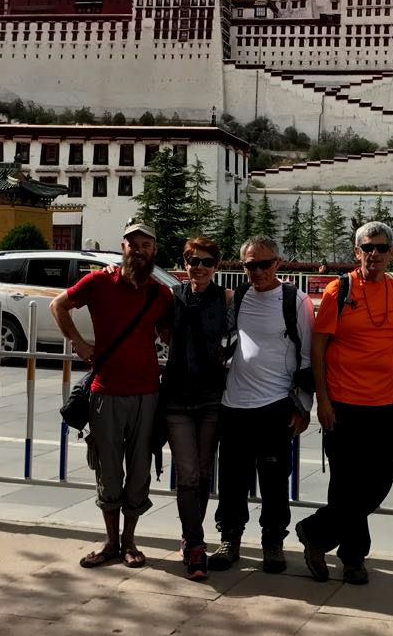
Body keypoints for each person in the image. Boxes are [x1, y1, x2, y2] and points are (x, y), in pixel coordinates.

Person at [296, 221, 393, 585]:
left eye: (381, 247)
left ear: (391, 253)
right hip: (343, 403)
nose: (374, 254)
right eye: (367, 247)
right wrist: (322, 402)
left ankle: (316, 532)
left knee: (382, 476)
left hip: (385, 404)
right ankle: (353, 557)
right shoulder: (337, 291)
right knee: (346, 484)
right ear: (356, 252)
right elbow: (319, 347)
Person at [49, 216, 173, 570]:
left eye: (145, 244)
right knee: (107, 471)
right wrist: (78, 342)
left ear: (154, 250)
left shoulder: (159, 293)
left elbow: (169, 333)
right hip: (105, 392)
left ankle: (131, 541)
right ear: (122, 247)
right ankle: (111, 542)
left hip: (147, 393)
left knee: (138, 471)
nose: (138, 249)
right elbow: (58, 305)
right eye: (132, 243)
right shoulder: (99, 283)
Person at [208, 235, 314, 574]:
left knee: (273, 478)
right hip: (234, 404)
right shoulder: (237, 297)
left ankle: (272, 542)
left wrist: (304, 407)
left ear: (278, 264)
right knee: (232, 478)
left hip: (275, 406)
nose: (257, 271)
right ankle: (230, 538)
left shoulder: (294, 301)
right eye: (249, 265)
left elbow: (308, 355)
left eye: (264, 264)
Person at [163, 237, 233, 580]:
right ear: (185, 264)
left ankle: (190, 535)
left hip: (211, 397)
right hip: (177, 397)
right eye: (194, 261)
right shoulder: (171, 298)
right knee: (188, 474)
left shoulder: (227, 299)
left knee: (204, 473)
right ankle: (195, 545)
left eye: (206, 262)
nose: (200, 268)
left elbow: (240, 339)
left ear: (216, 266)